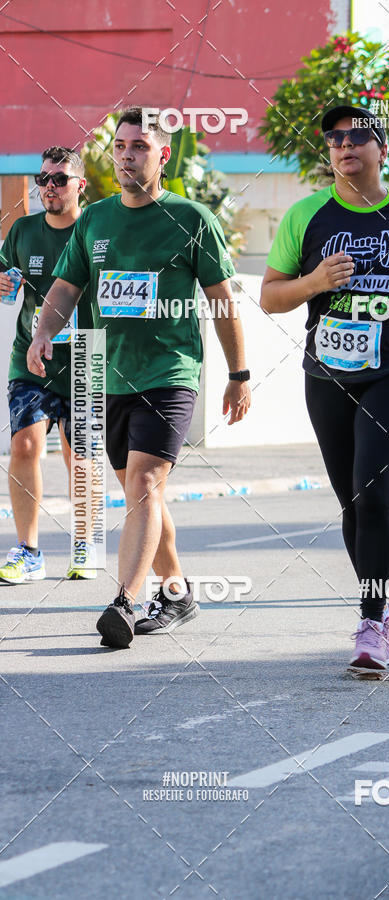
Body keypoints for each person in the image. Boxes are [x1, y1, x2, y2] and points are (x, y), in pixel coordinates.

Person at [27, 106, 251, 648]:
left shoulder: (192, 218)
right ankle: (177, 593)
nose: (128, 156)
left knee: (146, 482)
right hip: (110, 374)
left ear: (163, 155)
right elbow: (65, 288)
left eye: (140, 147)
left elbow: (223, 301)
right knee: (139, 492)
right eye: (121, 147)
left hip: (171, 371)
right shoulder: (96, 220)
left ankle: (124, 601)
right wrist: (41, 333)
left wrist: (238, 373)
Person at [260, 104, 389, 670]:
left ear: (380, 148)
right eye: (333, 138)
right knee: (351, 499)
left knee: (373, 491)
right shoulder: (306, 216)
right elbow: (271, 295)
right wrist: (315, 281)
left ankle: (371, 618)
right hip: (328, 372)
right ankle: (379, 604)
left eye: (356, 136)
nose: (343, 145)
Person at [0, 146, 96, 583]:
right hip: (31, 355)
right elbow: (5, 285)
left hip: (87, 354)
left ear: (81, 184)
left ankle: (85, 543)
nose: (49, 187)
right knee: (24, 446)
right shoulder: (22, 231)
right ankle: (28, 551)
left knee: (82, 458)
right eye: (43, 179)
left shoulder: (99, 228)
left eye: (59, 179)